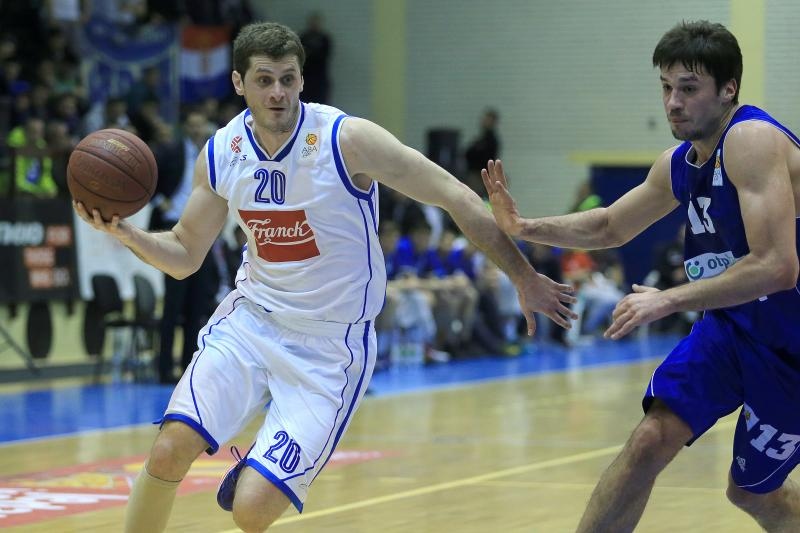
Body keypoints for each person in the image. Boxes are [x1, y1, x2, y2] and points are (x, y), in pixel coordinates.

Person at [73, 22, 576, 532]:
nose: (278, 92)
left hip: (330, 349)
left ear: (301, 80)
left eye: (288, 79)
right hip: (251, 323)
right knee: (168, 449)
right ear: (238, 83)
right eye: (264, 80)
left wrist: (523, 275)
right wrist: (127, 233)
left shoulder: (347, 140)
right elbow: (184, 253)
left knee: (250, 513)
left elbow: (456, 196)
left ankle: (259, 471)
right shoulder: (222, 153)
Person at [482, 20, 800, 532]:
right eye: (667, 87)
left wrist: (668, 299)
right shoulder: (680, 162)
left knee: (751, 493)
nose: (673, 102)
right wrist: (525, 226)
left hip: (793, 343)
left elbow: (778, 267)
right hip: (735, 328)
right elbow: (610, 225)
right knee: (650, 439)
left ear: (729, 89)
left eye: (689, 88)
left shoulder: (751, 140)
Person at [149, 109, 219, 384]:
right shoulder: (171, 150)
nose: (197, 129)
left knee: (197, 305)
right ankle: (164, 368)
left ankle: (189, 367)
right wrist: (159, 201)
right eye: (192, 124)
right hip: (173, 228)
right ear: (185, 127)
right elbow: (147, 177)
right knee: (173, 305)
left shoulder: (213, 153)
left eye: (201, 124)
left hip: (202, 232)